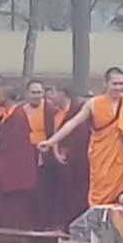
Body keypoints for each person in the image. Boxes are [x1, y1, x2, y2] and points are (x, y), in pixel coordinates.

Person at [38, 67, 123, 207]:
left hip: (121, 159)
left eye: (121, 84)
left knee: (120, 195)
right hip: (101, 156)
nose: (118, 87)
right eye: (115, 84)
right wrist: (51, 142)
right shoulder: (94, 104)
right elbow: (73, 123)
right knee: (99, 196)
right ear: (106, 84)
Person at [0, 84, 39, 229]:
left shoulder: (18, 116)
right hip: (9, 171)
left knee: (15, 213)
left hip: (15, 173)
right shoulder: (8, 114)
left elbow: (11, 146)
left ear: (4, 97)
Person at [50, 87, 91, 229]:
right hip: (62, 160)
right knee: (62, 195)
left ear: (63, 93)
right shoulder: (56, 114)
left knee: (77, 195)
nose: (51, 96)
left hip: (79, 161)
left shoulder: (77, 112)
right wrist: (55, 152)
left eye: (54, 92)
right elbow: (56, 132)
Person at [22, 80, 59, 229]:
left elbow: (55, 132)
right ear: (27, 94)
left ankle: (44, 223)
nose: (37, 96)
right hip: (25, 153)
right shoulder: (21, 110)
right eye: (33, 92)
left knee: (43, 191)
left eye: (39, 92)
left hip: (44, 153)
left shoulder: (50, 110)